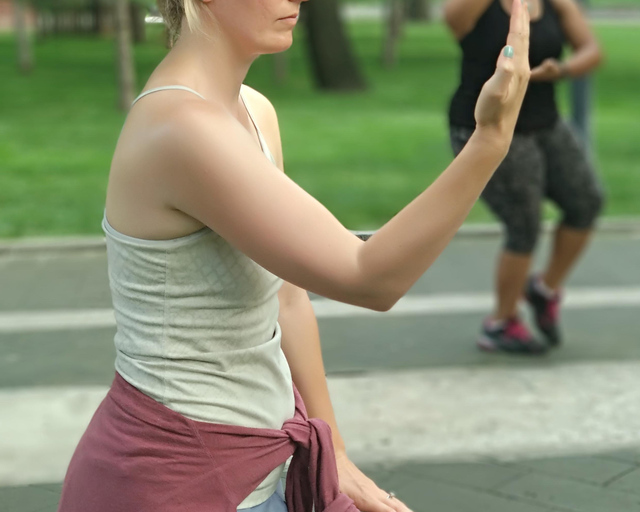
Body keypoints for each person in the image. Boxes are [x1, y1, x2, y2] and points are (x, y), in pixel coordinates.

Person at [56, 0, 532, 510]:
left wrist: (337, 455)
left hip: (263, 464)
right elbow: (368, 278)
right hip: (174, 479)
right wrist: (490, 140)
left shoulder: (252, 109)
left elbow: (288, 300)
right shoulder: (181, 127)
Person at [445, 0, 604, 354]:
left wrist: (560, 69)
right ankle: (500, 323)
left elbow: (592, 51)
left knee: (586, 202)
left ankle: (544, 289)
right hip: (488, 126)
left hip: (544, 121)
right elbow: (451, 19)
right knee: (524, 224)